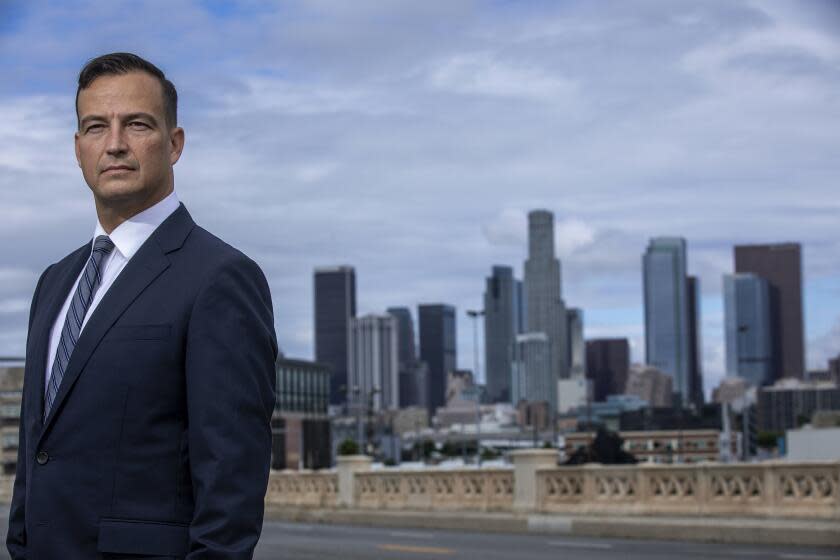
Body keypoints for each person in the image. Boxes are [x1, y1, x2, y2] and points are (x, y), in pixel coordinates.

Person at [6, 52, 278, 559]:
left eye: (136, 124)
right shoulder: (54, 282)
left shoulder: (219, 278)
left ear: (174, 144)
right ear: (77, 148)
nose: (114, 144)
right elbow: (37, 451)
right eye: (95, 127)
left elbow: (230, 485)